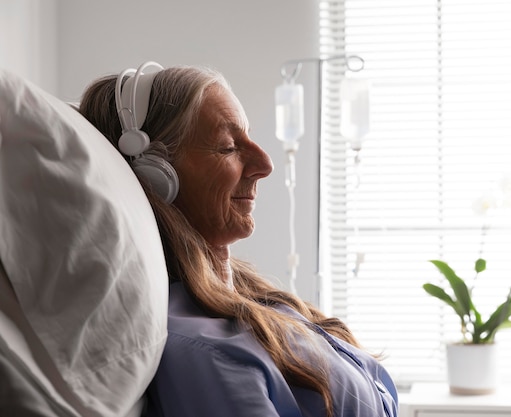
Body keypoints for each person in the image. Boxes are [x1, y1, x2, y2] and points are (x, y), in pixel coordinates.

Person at [79, 62, 398, 417]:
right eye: (228, 147)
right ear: (156, 177)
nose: (265, 163)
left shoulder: (261, 305)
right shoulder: (204, 349)